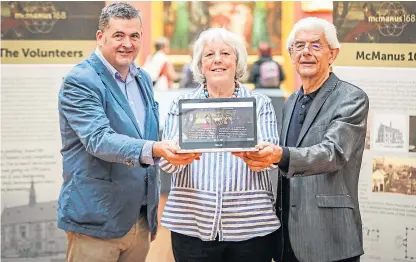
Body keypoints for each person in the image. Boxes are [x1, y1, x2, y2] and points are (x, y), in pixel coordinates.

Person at [57, 3, 199, 262]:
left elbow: (147, 133)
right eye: (119, 35)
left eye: (134, 36)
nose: (127, 43)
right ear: (101, 37)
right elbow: (98, 139)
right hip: (96, 222)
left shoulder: (142, 78)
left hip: (140, 218)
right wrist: (156, 149)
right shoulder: (80, 81)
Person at [235, 17, 369, 262]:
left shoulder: (351, 98)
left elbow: (333, 153)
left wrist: (280, 155)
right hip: (287, 239)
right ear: (290, 54)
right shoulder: (291, 102)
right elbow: (287, 164)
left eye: (316, 45)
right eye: (299, 46)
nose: (306, 52)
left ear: (333, 54)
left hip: (329, 237)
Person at [159, 28, 280, 262]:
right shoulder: (182, 104)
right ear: (200, 64)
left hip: (250, 227)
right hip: (191, 226)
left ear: (237, 62)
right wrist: (174, 155)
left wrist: (259, 156)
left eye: (225, 53)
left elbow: (270, 163)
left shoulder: (260, 103)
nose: (217, 60)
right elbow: (167, 165)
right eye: (209, 55)